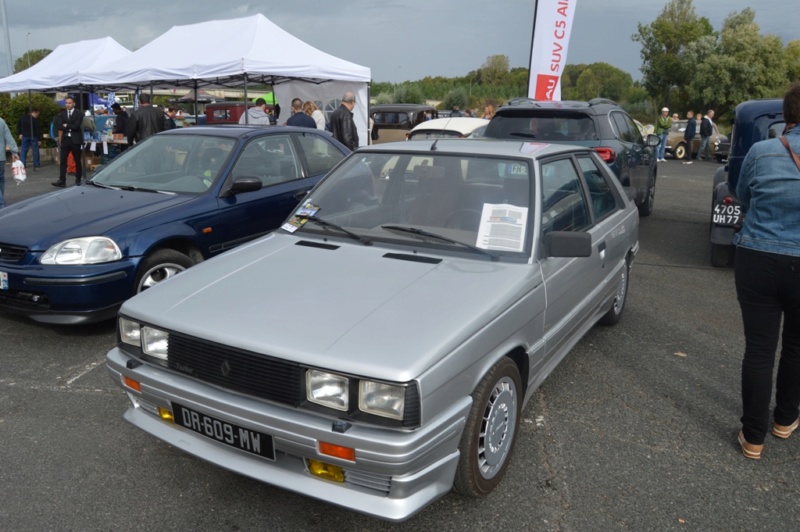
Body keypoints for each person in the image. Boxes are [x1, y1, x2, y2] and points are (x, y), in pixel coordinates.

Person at [733, 82, 800, 460]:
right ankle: (785, 420)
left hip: (758, 256)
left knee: (759, 350)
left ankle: (753, 436)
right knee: (797, 347)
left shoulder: (762, 152)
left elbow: (743, 194)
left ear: (787, 116)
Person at [51, 97, 85, 187]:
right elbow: (59, 126)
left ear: (74, 104)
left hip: (76, 140)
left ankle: (78, 179)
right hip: (66, 139)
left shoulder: (79, 114)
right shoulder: (62, 114)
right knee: (63, 160)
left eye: (69, 103)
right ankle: (62, 180)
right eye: (66, 103)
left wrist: (66, 124)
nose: (67, 104)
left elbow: (77, 126)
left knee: (77, 160)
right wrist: (69, 125)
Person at [0, 115, 20, 208]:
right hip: (1, 157)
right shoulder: (1, 121)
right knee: (1, 179)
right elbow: (9, 137)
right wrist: (14, 151)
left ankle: (1, 204)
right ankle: (1, 200)